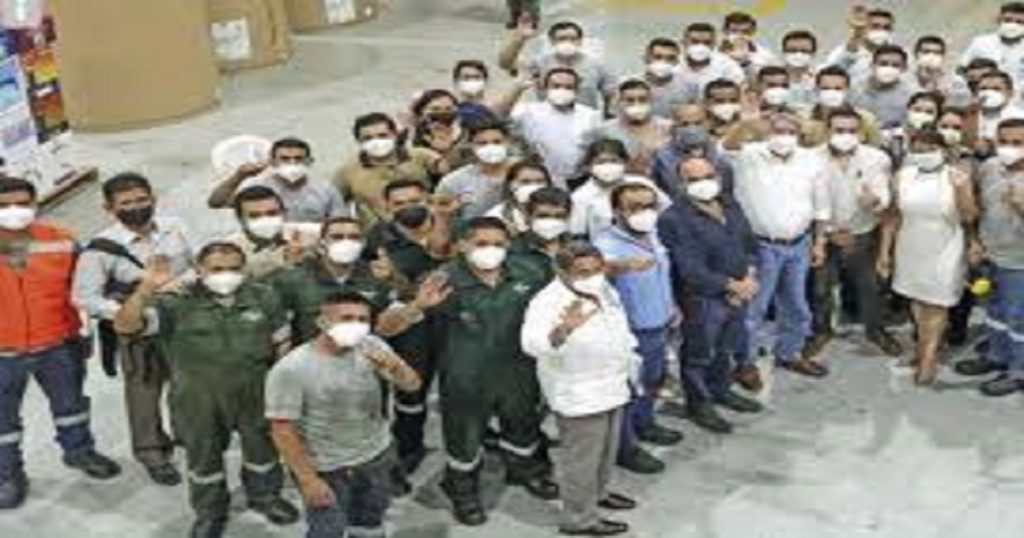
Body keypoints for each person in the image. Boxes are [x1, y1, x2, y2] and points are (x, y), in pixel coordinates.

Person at [113, 242, 300, 537]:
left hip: (256, 393)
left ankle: (265, 497)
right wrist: (145, 290)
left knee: (263, 451)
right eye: (217, 269)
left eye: (234, 268)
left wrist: (281, 388)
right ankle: (210, 512)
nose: (226, 275)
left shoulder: (263, 297)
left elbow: (282, 343)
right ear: (199, 270)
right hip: (197, 399)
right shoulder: (174, 303)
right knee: (204, 458)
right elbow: (125, 327)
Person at [428, 217, 558, 526]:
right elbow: (406, 321)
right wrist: (417, 307)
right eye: (482, 243)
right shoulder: (442, 280)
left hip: (518, 369)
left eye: (499, 244)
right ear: (463, 245)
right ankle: (461, 490)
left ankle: (526, 470)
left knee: (522, 423)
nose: (491, 250)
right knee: (464, 435)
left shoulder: (530, 272)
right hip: (465, 375)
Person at [0, 177, 121, 510]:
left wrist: (87, 332)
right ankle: (7, 474)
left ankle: (79, 452)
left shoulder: (62, 242)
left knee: (72, 406)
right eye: (4, 205)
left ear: (35, 203)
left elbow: (87, 287)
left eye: (22, 203)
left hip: (58, 343)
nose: (14, 210)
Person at [266, 291, 422, 538]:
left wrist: (395, 367)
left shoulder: (372, 347)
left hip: (375, 456)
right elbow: (282, 429)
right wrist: (308, 480)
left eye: (363, 319)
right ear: (322, 322)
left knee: (370, 522)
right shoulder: (292, 368)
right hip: (327, 467)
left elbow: (412, 385)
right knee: (328, 529)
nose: (356, 326)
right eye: (347, 318)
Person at [72, 173, 190, 487]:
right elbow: (84, 297)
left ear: (153, 199)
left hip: (182, 323)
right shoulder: (99, 249)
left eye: (142, 200)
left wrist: (182, 284)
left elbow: (195, 264)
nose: (136, 207)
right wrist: (124, 313)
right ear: (109, 209)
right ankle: (152, 452)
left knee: (186, 384)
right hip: (138, 331)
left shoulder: (175, 228)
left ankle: (187, 434)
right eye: (126, 203)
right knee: (144, 393)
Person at [521, 241, 637, 537]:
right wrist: (563, 330)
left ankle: (598, 493)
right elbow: (531, 344)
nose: (593, 277)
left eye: (597, 270)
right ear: (561, 272)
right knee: (581, 461)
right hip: (579, 393)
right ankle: (579, 518)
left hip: (612, 384)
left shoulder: (603, 289)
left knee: (606, 452)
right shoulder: (546, 301)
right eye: (583, 272)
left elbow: (618, 326)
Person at [658, 157, 764, 433]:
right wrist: (731, 286)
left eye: (707, 176)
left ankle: (720, 389)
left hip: (739, 291)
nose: (703, 183)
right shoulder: (673, 219)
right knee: (699, 353)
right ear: (680, 184)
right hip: (702, 298)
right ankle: (699, 404)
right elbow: (689, 268)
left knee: (725, 348)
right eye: (693, 179)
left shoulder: (730, 205)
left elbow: (749, 244)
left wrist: (750, 276)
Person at [364, 180, 460, 475]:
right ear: (387, 207)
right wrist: (392, 281)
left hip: (456, 320)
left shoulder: (454, 225)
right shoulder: (377, 238)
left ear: (428, 199)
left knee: (462, 385)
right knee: (412, 391)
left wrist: (443, 219)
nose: (408, 207)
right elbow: (380, 285)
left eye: (415, 200)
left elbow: (442, 251)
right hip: (411, 323)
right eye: (399, 203)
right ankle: (409, 446)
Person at [734, 113, 831, 385]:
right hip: (760, 246)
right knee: (754, 308)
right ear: (767, 132)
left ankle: (790, 352)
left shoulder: (812, 160)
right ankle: (745, 362)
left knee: (796, 304)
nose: (784, 137)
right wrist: (748, 120)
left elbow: (821, 204)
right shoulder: (750, 155)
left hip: (800, 244)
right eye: (778, 130)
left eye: (790, 131)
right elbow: (727, 146)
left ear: (799, 135)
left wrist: (820, 242)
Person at [594, 183, 682, 475]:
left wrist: (671, 306)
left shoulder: (653, 235)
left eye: (649, 206)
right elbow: (595, 279)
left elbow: (663, 274)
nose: (644, 213)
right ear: (617, 211)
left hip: (659, 324)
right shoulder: (605, 247)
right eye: (635, 207)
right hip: (630, 333)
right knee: (628, 390)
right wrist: (615, 267)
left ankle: (645, 424)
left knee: (651, 381)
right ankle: (625, 447)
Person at [878, 129, 978, 385]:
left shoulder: (957, 176)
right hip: (910, 246)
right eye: (918, 150)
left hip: (945, 247)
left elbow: (969, 216)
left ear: (943, 150)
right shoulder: (903, 176)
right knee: (917, 301)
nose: (924, 155)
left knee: (936, 302)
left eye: (930, 149)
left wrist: (961, 190)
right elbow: (892, 217)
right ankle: (926, 345)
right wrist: (884, 253)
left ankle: (928, 358)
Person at [805, 108, 903, 360]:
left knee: (871, 287)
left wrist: (875, 201)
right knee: (821, 288)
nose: (845, 135)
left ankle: (876, 330)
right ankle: (821, 331)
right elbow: (806, 200)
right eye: (839, 130)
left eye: (851, 130)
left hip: (863, 233)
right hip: (824, 235)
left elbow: (883, 197)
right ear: (827, 131)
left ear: (860, 132)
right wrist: (827, 233)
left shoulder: (876, 158)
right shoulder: (809, 159)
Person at [270, 216, 451, 346]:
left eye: (354, 237)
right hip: (310, 364)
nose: (346, 242)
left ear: (363, 243)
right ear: (322, 243)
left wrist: (416, 303)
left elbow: (386, 326)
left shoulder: (378, 277)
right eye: (337, 237)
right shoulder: (292, 279)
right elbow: (280, 332)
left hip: (364, 364)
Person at [957, 119, 1024, 396]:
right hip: (991, 255)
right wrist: (975, 241)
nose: (1009, 148)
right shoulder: (990, 168)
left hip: (1020, 263)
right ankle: (997, 355)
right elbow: (980, 209)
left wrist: (1021, 208)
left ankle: (1019, 371)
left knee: (1018, 319)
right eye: (1003, 141)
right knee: (995, 311)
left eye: (1018, 143)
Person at [208, 137, 348, 223]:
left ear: (309, 162)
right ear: (272, 162)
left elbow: (339, 222)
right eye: (284, 159)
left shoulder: (325, 190)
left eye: (298, 159)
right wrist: (239, 176)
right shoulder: (258, 187)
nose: (292, 163)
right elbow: (216, 202)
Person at [334, 112, 442, 224]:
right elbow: (333, 204)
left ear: (395, 135)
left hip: (428, 226)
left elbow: (448, 172)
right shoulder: (347, 171)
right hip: (378, 231)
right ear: (358, 141)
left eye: (382, 135)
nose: (376, 141)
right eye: (367, 138)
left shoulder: (421, 155)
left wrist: (446, 149)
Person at [512, 67, 602, 185]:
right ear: (545, 88)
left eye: (568, 87)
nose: (562, 90)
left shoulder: (591, 115)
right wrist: (516, 88)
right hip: (539, 178)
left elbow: (597, 149)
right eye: (556, 86)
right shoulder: (527, 111)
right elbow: (498, 117)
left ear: (577, 90)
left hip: (578, 179)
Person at [500, 19, 616, 111]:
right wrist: (519, 40)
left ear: (581, 40)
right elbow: (506, 64)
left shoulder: (597, 65)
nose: (568, 42)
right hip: (547, 118)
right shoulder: (540, 63)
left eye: (573, 39)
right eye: (561, 39)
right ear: (552, 41)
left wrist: (607, 117)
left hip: (584, 122)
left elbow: (610, 95)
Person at [569, 138, 669, 240]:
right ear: (589, 166)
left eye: (614, 161)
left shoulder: (643, 183)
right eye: (601, 162)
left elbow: (667, 210)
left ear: (625, 162)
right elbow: (578, 233)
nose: (608, 166)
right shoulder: (581, 196)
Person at [585, 79, 673, 175]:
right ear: (620, 102)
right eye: (630, 100)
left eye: (642, 99)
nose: (636, 104)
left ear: (651, 101)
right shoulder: (605, 130)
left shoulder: (668, 127)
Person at [651, 104, 735, 199]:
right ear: (675, 126)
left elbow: (728, 187)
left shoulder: (720, 151)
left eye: (698, 123)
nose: (692, 129)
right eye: (685, 124)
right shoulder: (664, 157)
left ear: (708, 123)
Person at [437, 119, 516, 219]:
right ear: (471, 146)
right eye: (482, 143)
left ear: (508, 142)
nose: (490, 147)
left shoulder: (526, 170)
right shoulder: (453, 181)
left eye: (497, 142)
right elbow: (441, 215)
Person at [225, 186, 307, 278]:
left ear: (284, 213)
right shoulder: (228, 251)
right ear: (240, 219)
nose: (265, 220)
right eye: (254, 216)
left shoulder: (308, 236)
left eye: (272, 213)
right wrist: (290, 264)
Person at [801, 66, 883, 147]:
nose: (831, 93)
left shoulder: (867, 119)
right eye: (825, 88)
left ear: (847, 90)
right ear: (817, 89)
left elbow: (875, 149)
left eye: (838, 88)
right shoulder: (802, 118)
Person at [721, 65, 800, 150]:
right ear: (758, 86)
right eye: (771, 85)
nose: (779, 90)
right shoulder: (741, 106)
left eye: (784, 86)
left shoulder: (794, 108)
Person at [509, 185, 574, 282]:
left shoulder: (578, 246)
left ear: (568, 217)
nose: (551, 221)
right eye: (543, 216)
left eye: (559, 216)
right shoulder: (511, 251)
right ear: (528, 215)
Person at [849, 44, 916, 130]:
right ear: (872, 65)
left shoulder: (911, 95)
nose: (888, 68)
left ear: (904, 68)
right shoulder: (854, 89)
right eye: (883, 64)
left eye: (895, 65)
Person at [825, 6, 898, 81]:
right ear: (864, 27)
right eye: (875, 26)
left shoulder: (899, 55)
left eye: (886, 27)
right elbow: (829, 73)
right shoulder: (845, 51)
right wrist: (855, 38)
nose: (881, 30)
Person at [960, 2, 1024, 88]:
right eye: (1007, 20)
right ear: (998, 20)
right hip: (983, 91)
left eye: (1019, 22)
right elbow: (962, 68)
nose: (1012, 25)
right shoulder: (981, 42)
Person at [410, 89, 476, 171]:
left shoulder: (469, 133)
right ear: (422, 111)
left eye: (448, 109)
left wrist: (448, 151)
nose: (442, 113)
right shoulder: (414, 136)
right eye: (435, 109)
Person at [486, 160, 555, 234]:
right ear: (511, 185)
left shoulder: (561, 210)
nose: (533, 186)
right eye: (525, 181)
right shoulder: (497, 216)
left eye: (539, 181)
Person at [676, 23, 745, 94]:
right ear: (683, 42)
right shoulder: (675, 63)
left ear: (714, 44)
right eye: (695, 42)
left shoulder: (727, 66)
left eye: (707, 43)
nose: (701, 46)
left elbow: (739, 91)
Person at [639, 38, 697, 118]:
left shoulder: (689, 86)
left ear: (676, 61)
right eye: (658, 57)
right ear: (646, 58)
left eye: (670, 58)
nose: (664, 62)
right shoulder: (629, 84)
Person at [910, 36, 972, 109]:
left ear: (943, 56)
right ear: (916, 54)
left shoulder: (956, 82)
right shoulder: (906, 79)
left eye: (937, 53)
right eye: (926, 52)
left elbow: (963, 106)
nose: (931, 56)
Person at [720, 11, 777, 81]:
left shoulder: (766, 55)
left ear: (753, 32)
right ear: (725, 31)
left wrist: (746, 63)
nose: (740, 35)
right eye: (734, 31)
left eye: (745, 32)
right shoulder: (715, 54)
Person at [975, 70, 1024, 143]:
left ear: (1010, 93)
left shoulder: (1020, 117)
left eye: (996, 89)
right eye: (983, 89)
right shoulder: (969, 116)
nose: (989, 93)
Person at [780, 30, 820, 113]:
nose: (798, 55)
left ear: (813, 53)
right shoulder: (771, 77)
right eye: (792, 50)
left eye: (804, 51)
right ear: (783, 52)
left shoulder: (820, 78)